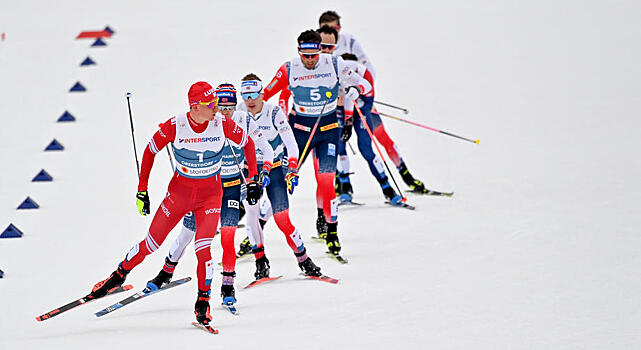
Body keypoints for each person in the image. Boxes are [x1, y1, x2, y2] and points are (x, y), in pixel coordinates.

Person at [88, 81, 249, 328]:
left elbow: (247, 143)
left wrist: (254, 179)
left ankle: (202, 302)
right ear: (195, 107)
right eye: (211, 105)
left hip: (210, 197)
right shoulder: (177, 125)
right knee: (150, 244)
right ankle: (118, 276)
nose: (216, 109)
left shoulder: (222, 123)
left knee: (203, 250)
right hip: (179, 194)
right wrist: (142, 190)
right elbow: (150, 150)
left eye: (217, 103)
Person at [143, 83, 274, 309]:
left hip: (231, 186)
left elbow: (262, 146)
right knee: (186, 235)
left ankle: (227, 286)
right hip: (206, 188)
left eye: (229, 107)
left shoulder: (242, 121)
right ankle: (165, 273)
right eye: (220, 106)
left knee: (227, 236)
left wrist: (259, 176)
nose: (224, 112)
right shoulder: (210, 119)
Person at [262, 29, 371, 257]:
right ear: (299, 51)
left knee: (326, 181)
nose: (309, 60)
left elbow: (366, 85)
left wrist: (354, 89)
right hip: (299, 133)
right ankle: (256, 232)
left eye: (313, 55)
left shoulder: (334, 64)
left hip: (328, 130)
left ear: (320, 50)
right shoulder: (289, 68)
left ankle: (332, 233)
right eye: (305, 55)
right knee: (280, 180)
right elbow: (263, 96)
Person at [318, 13, 431, 194]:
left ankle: (406, 175)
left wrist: (362, 94)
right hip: (338, 105)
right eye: (327, 28)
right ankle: (341, 181)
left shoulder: (349, 41)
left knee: (381, 138)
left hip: (360, 99)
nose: (332, 33)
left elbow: (369, 70)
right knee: (334, 142)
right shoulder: (318, 51)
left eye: (335, 28)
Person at [237, 73, 323, 277]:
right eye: (245, 95)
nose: (249, 100)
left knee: (282, 218)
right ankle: (261, 262)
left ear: (262, 94)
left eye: (254, 95)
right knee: (251, 217)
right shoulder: (238, 112)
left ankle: (304, 259)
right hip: (250, 171)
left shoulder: (274, 112)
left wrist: (292, 169)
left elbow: (291, 143)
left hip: (274, 168)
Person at [317, 26, 403, 206]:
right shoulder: (318, 68)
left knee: (365, 147)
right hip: (344, 106)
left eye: (329, 47)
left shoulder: (344, 66)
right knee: (339, 146)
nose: (325, 51)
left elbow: (367, 87)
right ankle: (345, 188)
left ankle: (387, 188)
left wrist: (356, 94)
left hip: (362, 105)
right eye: (322, 46)